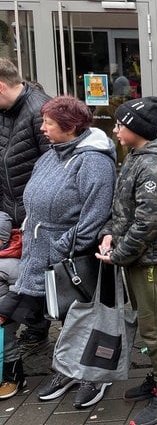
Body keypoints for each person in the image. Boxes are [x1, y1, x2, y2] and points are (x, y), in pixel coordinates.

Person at [10, 96, 116, 407]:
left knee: (83, 314)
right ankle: (69, 367)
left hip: (72, 257)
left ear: (69, 128)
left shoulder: (93, 161)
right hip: (41, 251)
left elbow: (95, 215)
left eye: (49, 124)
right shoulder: (51, 155)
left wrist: (62, 248)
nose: (42, 128)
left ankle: (94, 374)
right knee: (62, 315)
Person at [95, 96, 157, 424]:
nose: (115, 129)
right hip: (136, 256)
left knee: (153, 323)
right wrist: (110, 233)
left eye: (121, 124)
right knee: (149, 322)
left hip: (148, 259)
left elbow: (148, 221)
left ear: (137, 129)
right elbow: (125, 208)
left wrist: (119, 254)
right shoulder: (136, 156)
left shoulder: (153, 165)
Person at [0, 58, 52, 357]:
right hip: (11, 211)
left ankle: (38, 329)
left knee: (34, 274)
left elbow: (53, 164)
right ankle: (32, 327)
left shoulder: (38, 111)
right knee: (17, 273)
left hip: (35, 214)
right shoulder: (5, 111)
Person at [0, 212, 23, 398]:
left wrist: (3, 313)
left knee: (8, 346)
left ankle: (14, 378)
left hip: (5, 316)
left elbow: (17, 291)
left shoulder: (11, 262)